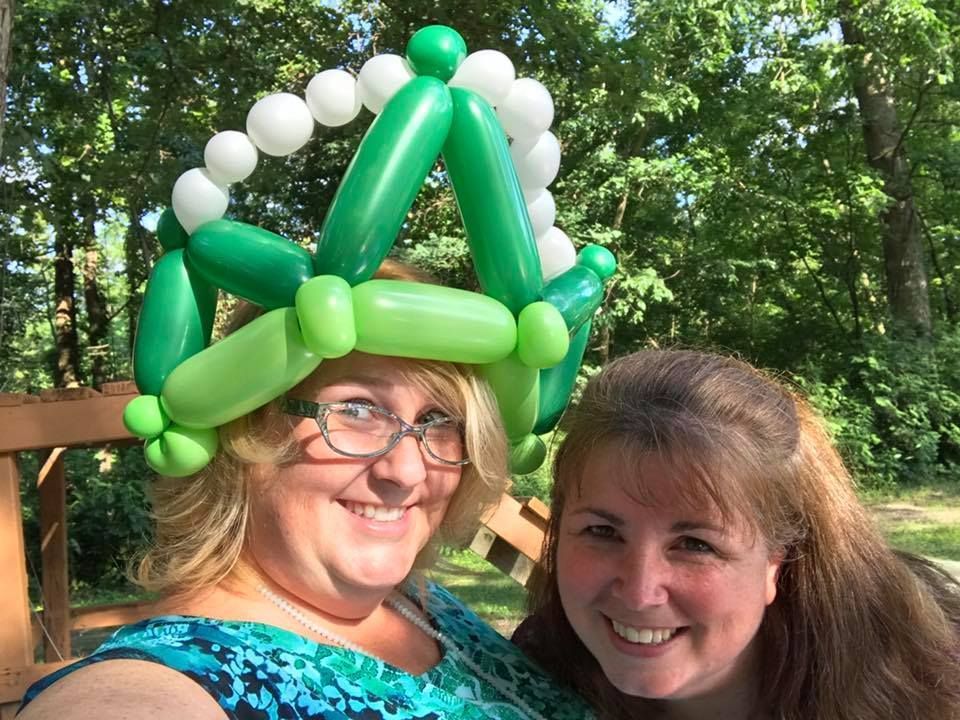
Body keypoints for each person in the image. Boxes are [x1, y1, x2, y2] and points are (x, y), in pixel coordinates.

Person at [19, 261, 593, 720]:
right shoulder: (185, 674)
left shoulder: (421, 603)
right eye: (358, 410)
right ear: (246, 425)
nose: (408, 472)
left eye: (439, 420)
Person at [515, 349, 960, 720]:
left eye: (695, 545)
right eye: (602, 531)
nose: (639, 592)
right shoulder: (528, 677)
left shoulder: (928, 684)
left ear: (778, 561)